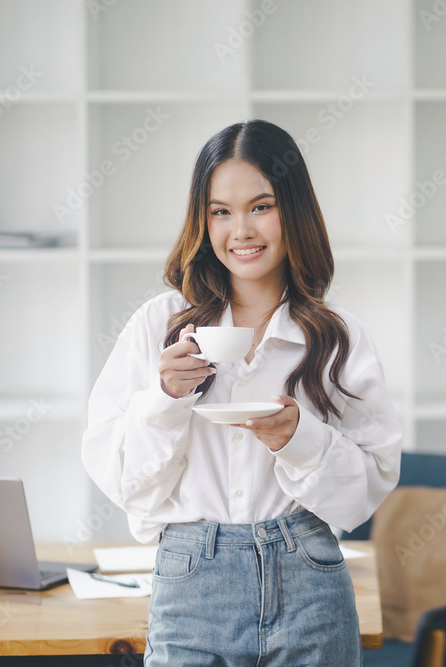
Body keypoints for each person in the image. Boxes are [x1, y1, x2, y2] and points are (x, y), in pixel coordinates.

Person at [80, 119, 402, 666]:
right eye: (220, 211)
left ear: (293, 210)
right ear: (202, 221)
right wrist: (165, 400)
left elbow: (368, 489)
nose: (241, 230)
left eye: (262, 206)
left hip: (310, 581)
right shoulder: (159, 326)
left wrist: (299, 438)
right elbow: (119, 478)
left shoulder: (333, 336)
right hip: (191, 583)